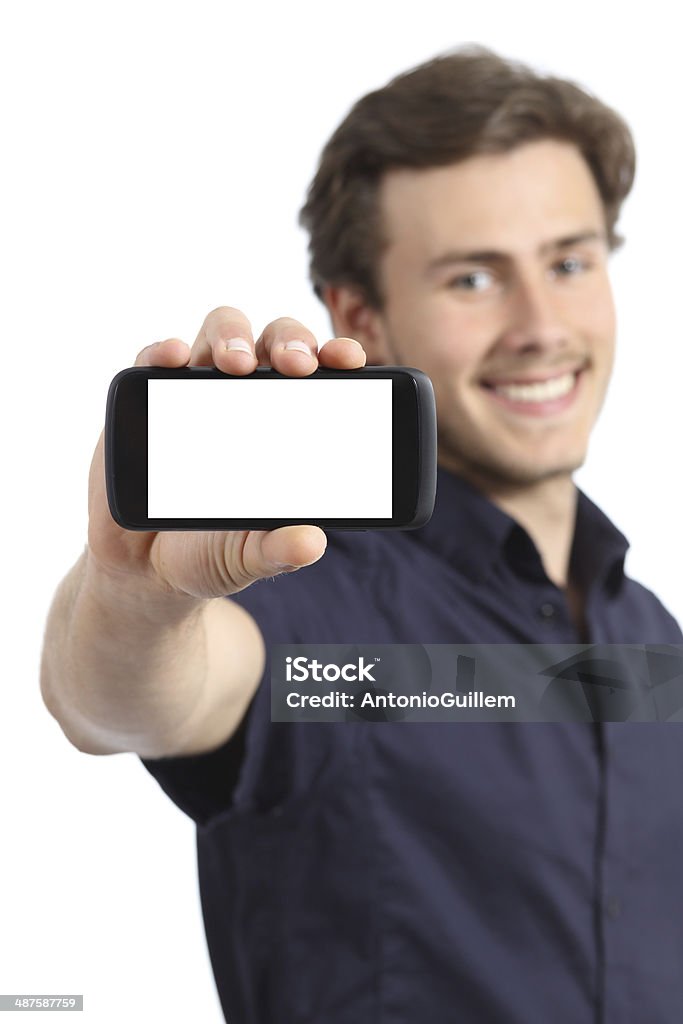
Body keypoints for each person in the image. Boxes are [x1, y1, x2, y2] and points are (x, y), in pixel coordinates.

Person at [40, 46, 683, 1023]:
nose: (540, 324)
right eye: (472, 278)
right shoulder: (310, 599)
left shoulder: (650, 639)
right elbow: (121, 699)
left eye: (567, 260)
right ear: (358, 319)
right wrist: (133, 600)